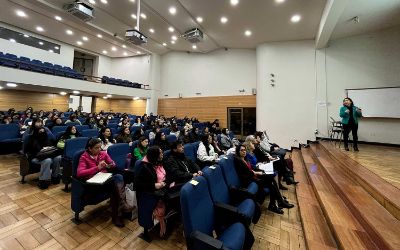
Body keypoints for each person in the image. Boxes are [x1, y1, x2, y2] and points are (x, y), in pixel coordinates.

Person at [77, 138, 131, 227]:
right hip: (94, 184)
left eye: (100, 147)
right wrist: (97, 168)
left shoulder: (103, 154)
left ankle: (118, 213)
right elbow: (80, 173)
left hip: (105, 179)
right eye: (96, 148)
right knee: (115, 184)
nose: (99, 150)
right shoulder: (84, 157)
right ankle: (120, 210)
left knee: (118, 179)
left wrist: (109, 165)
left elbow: (113, 163)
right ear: (90, 149)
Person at [234, 144, 294, 214]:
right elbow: (246, 173)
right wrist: (257, 173)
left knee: (272, 181)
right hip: (249, 180)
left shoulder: (245, 159)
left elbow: (252, 167)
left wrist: (260, 170)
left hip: (254, 176)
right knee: (271, 180)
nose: (244, 152)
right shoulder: (239, 161)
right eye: (241, 150)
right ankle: (277, 202)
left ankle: (276, 203)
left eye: (244, 150)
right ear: (238, 151)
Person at [134, 146, 175, 237]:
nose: (162, 154)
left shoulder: (160, 161)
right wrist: (154, 185)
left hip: (165, 187)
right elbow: (137, 185)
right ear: (154, 155)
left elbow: (171, 174)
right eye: (160, 153)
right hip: (153, 192)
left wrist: (165, 183)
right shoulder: (143, 167)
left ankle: (171, 219)